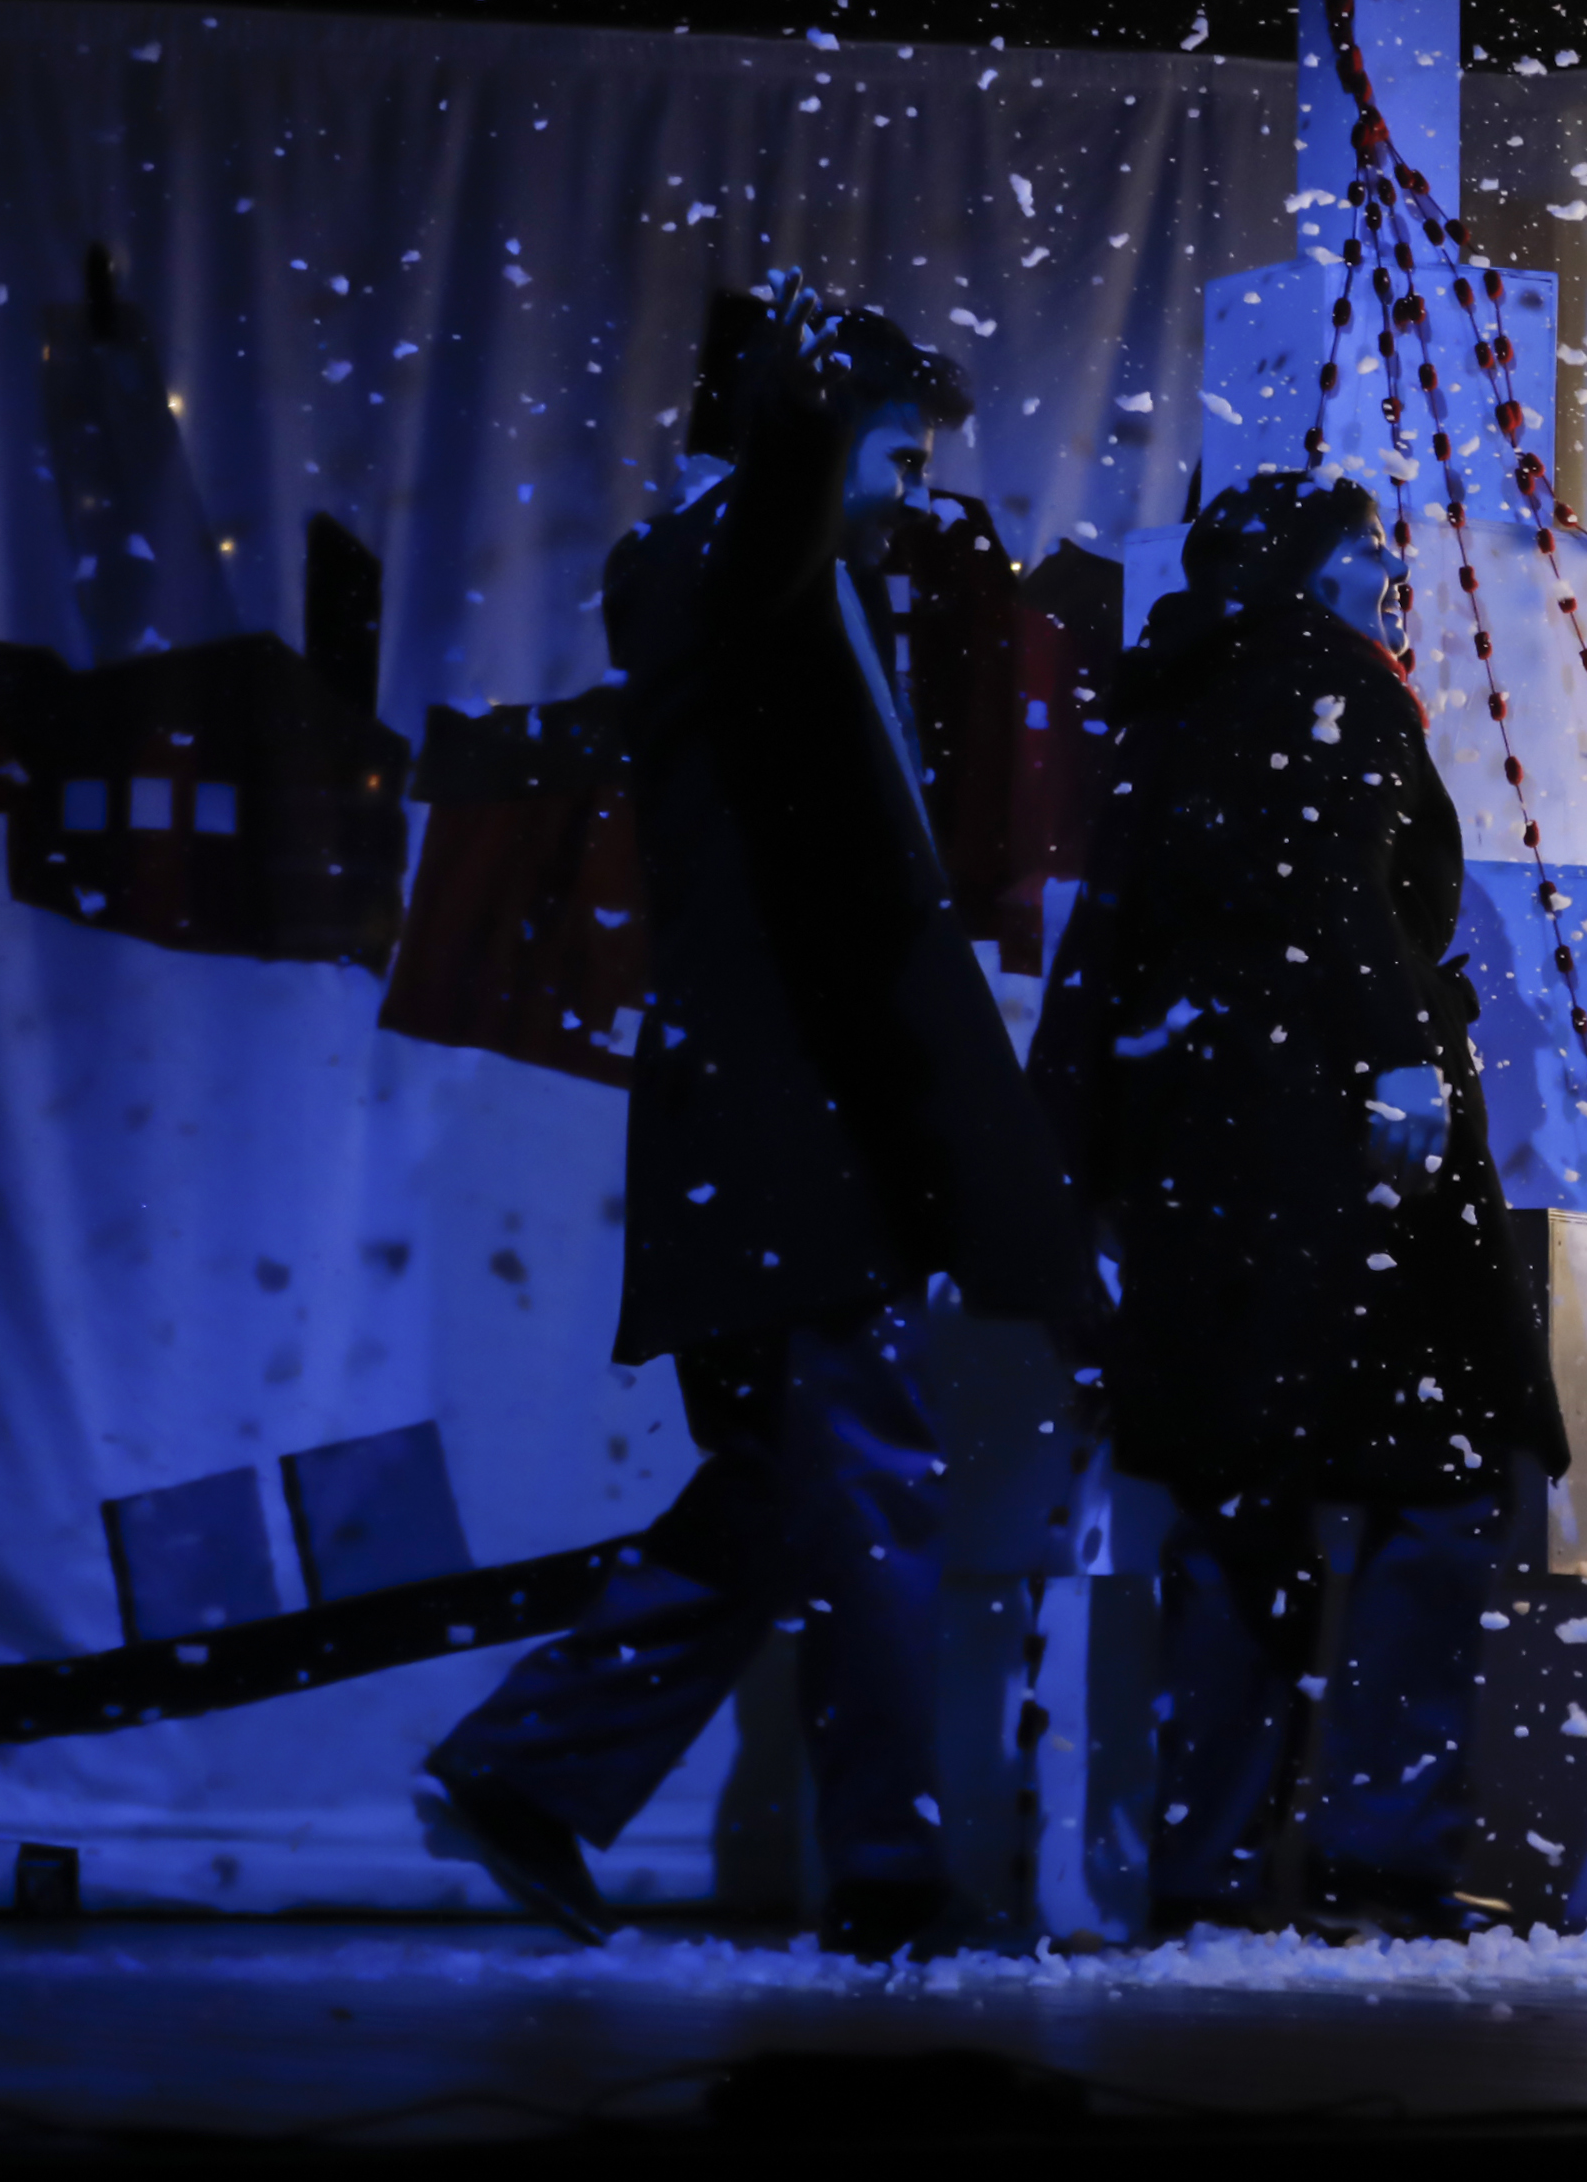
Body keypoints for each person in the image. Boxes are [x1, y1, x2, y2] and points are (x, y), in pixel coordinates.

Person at [420, 279, 1104, 1960]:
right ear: (807, 431)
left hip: (776, 1114)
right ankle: (887, 1874)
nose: (918, 486)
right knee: (867, 1485)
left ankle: (531, 1768)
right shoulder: (733, 562)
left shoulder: (771, 581)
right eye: (895, 449)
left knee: (781, 1491)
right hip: (786, 1119)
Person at [1032, 471, 1565, 1941]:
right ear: (1309, 570)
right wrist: (1397, 1052)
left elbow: (1116, 942)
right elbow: (1336, 883)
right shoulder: (1326, 676)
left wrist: (1081, 1161)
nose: (1390, 572)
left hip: (1212, 1160)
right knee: (1442, 1479)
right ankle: (1377, 1850)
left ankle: (1210, 1864)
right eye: (1366, 548)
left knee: (1242, 1500)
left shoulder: (1176, 698)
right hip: (1343, 1153)